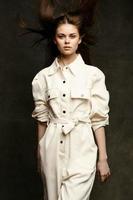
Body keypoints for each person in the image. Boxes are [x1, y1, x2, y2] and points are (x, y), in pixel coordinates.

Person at [31, 2, 111, 200]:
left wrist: (103, 158)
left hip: (82, 147)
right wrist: (40, 154)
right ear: (55, 40)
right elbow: (42, 119)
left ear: (80, 39)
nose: (67, 41)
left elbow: (98, 119)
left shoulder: (93, 75)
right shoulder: (43, 78)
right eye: (62, 36)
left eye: (72, 36)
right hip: (51, 148)